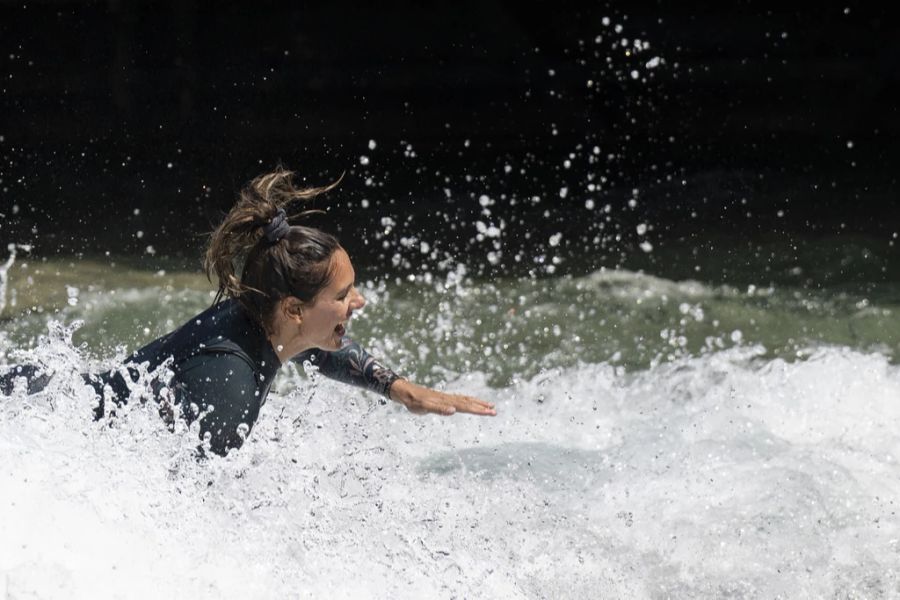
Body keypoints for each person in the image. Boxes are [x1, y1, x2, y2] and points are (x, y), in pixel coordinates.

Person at [1, 169, 496, 455]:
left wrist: (398, 389)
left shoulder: (270, 320)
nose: (358, 301)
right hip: (28, 418)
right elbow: (175, 499)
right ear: (294, 309)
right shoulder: (227, 384)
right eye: (345, 293)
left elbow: (321, 350)